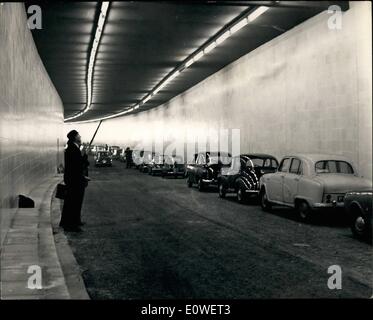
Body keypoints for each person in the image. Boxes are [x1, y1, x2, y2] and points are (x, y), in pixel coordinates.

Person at [59, 130, 90, 232]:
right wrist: (85, 155)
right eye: (78, 135)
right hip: (74, 181)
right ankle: (71, 225)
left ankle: (74, 221)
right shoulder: (73, 149)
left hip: (74, 179)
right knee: (73, 202)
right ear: (75, 137)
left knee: (73, 202)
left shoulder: (72, 148)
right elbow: (79, 166)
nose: (80, 136)